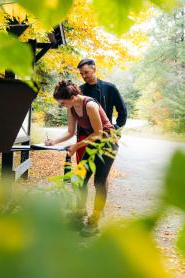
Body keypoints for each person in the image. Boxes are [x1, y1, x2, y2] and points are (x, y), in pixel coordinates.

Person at [45, 80, 118, 236]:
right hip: (93, 143)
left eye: (63, 102)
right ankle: (80, 213)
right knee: (80, 180)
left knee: (99, 182)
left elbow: (98, 132)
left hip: (107, 144)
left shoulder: (90, 105)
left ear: (72, 96)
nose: (62, 105)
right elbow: (70, 132)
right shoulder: (71, 108)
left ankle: (95, 220)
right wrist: (54, 141)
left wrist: (77, 146)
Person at [76, 58, 127, 163]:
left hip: (105, 137)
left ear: (94, 69)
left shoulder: (110, 88)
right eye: (81, 74)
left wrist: (116, 129)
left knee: (101, 175)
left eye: (86, 72)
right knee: (82, 173)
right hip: (84, 137)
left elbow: (122, 111)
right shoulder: (79, 91)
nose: (84, 76)